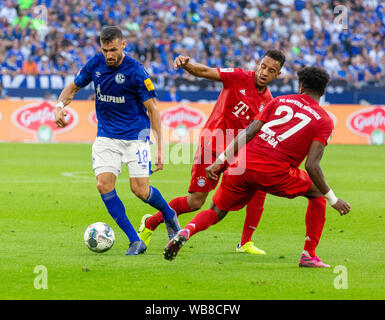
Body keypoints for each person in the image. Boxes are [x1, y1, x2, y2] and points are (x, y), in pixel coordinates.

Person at [163, 66, 351, 268]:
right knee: (317, 194)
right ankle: (309, 254)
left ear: (301, 86)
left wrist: (221, 160)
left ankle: (186, 231)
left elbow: (248, 132)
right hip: (274, 171)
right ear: (323, 91)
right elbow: (312, 165)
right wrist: (333, 199)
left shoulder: (279, 101)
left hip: (242, 163)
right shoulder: (324, 120)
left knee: (217, 210)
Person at [138, 50, 286, 255]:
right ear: (258, 64)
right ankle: (150, 223)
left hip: (237, 153)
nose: (264, 72)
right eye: (263, 66)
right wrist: (186, 65)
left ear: (277, 75)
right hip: (212, 146)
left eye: (271, 71)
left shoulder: (268, 102)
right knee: (195, 202)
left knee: (259, 187)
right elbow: (206, 71)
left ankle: (245, 242)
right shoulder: (238, 76)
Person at [54, 26, 180, 256]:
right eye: (105, 50)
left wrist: (161, 149)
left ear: (123, 45)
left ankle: (169, 214)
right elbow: (72, 88)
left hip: (135, 137)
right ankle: (135, 241)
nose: (109, 55)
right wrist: (59, 106)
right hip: (106, 136)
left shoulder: (136, 71)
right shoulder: (95, 64)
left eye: (113, 49)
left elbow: (153, 110)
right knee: (103, 184)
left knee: (139, 190)